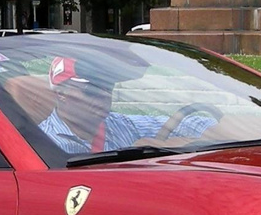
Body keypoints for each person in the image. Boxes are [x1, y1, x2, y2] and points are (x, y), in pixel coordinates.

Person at [37, 55, 216, 155]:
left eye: (108, 87)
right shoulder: (43, 144)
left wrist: (230, 128)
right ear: (61, 93)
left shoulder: (121, 124)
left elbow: (189, 124)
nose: (104, 95)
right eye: (91, 90)